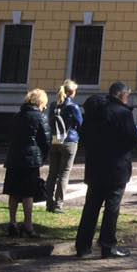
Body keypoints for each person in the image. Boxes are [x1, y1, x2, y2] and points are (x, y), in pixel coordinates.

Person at [75, 81, 137, 258]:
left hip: (95, 166)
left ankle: (82, 247)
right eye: (128, 96)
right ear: (122, 95)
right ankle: (107, 246)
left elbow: (84, 136)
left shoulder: (94, 111)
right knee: (112, 208)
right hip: (116, 168)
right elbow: (131, 138)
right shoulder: (123, 113)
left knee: (91, 207)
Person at [3, 88, 51, 237]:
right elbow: (46, 140)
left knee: (13, 191)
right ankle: (28, 225)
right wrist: (41, 157)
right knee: (28, 193)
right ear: (41, 102)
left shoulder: (17, 115)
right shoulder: (40, 117)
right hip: (30, 160)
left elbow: (10, 135)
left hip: (14, 157)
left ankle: (12, 223)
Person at [46, 79, 83, 213]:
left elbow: (50, 122)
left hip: (55, 140)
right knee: (64, 174)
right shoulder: (73, 107)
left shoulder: (53, 105)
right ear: (72, 92)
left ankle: (48, 203)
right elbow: (80, 124)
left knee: (52, 174)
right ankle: (58, 205)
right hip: (69, 141)